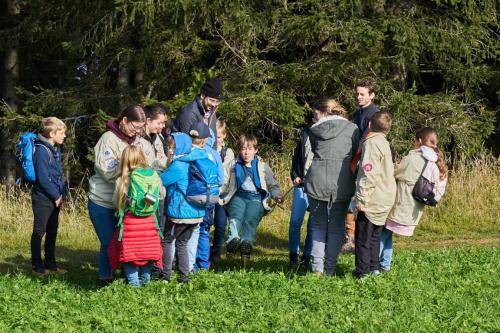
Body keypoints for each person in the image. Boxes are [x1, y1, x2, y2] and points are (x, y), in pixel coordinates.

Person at [88, 104, 146, 286]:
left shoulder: (136, 141)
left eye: (139, 128)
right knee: (108, 241)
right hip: (103, 201)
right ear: (124, 121)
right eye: (134, 127)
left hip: (125, 202)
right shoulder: (108, 139)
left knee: (123, 240)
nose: (136, 131)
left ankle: (123, 274)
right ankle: (105, 278)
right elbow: (106, 170)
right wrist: (129, 167)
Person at [379, 128, 448, 272]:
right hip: (414, 207)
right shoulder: (435, 160)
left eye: (415, 140)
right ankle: (385, 265)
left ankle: (373, 266)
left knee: (382, 234)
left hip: (401, 203)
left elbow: (395, 173)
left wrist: (396, 165)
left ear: (420, 141)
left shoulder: (413, 158)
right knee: (387, 233)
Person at [304, 100, 360, 275]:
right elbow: (354, 154)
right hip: (341, 181)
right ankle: (329, 269)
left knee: (318, 225)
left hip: (317, 180)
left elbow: (313, 151)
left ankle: (317, 269)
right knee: (336, 226)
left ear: (324, 112)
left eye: (316, 113)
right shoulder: (353, 130)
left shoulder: (315, 130)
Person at [160, 124, 212, 283]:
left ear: (180, 147)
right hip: (196, 213)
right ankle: (184, 277)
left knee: (167, 241)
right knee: (182, 243)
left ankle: (166, 275)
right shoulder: (196, 159)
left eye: (172, 147)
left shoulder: (179, 165)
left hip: (180, 213)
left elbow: (161, 181)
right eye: (168, 147)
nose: (170, 151)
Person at [107, 146, 165, 287]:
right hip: (149, 223)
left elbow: (116, 201)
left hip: (130, 223)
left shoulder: (123, 179)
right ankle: (145, 282)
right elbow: (162, 194)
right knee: (147, 253)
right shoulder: (153, 175)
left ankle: (134, 284)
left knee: (129, 255)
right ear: (142, 157)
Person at [220, 134, 284, 261]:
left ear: (255, 150)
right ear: (239, 150)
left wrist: (277, 195)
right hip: (238, 195)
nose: (246, 152)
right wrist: (217, 194)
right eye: (243, 149)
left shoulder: (262, 166)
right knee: (235, 217)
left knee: (251, 218)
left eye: (249, 149)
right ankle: (233, 240)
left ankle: (246, 244)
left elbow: (272, 184)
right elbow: (224, 182)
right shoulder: (233, 165)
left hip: (256, 198)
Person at [353, 111, 396, 279]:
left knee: (363, 236)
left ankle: (362, 272)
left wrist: (361, 198)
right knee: (375, 235)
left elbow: (369, 172)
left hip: (373, 197)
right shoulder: (384, 143)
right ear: (387, 129)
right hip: (385, 196)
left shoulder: (371, 143)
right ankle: (374, 268)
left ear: (370, 124)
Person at [344, 80, 380, 252]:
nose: (358, 97)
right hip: (355, 160)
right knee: (352, 199)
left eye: (362, 94)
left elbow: (368, 138)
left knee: (361, 199)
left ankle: (361, 240)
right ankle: (351, 237)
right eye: (357, 93)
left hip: (366, 162)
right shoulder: (358, 113)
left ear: (371, 95)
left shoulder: (374, 114)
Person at [30, 117, 68, 275]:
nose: (64, 136)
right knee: (40, 231)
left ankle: (50, 264)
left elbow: (57, 174)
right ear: (52, 133)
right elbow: (43, 178)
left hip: (54, 198)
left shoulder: (54, 149)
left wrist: (61, 193)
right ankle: (37, 265)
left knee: (52, 230)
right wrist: (56, 196)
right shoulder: (41, 150)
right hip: (43, 198)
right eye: (62, 132)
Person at [193, 126, 224, 270]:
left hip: (194, 197)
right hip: (210, 197)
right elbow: (220, 179)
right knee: (204, 230)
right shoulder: (214, 154)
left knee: (194, 231)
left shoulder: (193, 152)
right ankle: (204, 264)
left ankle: (193, 265)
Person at [288, 114, 316, 268]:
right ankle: (293, 255)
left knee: (313, 224)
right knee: (295, 222)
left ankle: (307, 256)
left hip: (317, 187)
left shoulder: (328, 135)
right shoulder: (305, 133)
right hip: (301, 185)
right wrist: (295, 175)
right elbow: (296, 157)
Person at [173, 78, 222, 148]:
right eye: (211, 100)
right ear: (202, 96)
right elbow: (188, 144)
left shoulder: (211, 111)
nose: (214, 105)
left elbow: (214, 142)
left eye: (217, 101)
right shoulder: (189, 113)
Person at [211, 120, 235, 261]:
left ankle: (216, 251)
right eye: (214, 136)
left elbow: (227, 175)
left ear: (224, 136)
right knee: (206, 222)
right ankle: (202, 250)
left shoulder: (228, 153)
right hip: (207, 191)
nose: (216, 139)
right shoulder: (207, 149)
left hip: (222, 192)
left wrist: (220, 190)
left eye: (219, 136)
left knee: (220, 223)